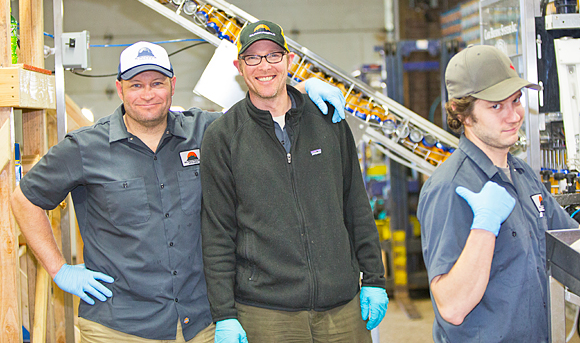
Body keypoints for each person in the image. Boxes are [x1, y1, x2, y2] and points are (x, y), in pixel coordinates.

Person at [10, 40, 346, 343]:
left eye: (157, 83)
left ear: (172, 85)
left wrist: (301, 87)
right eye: (136, 85)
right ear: (119, 89)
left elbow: (260, 108)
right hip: (119, 327)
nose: (148, 94)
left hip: (201, 322)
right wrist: (59, 269)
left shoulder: (205, 131)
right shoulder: (85, 147)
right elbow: (24, 198)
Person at [200, 20, 389, 343]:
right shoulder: (222, 136)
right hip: (267, 313)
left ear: (289, 61)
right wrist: (225, 315)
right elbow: (218, 232)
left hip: (341, 307)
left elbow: (356, 204)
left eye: (273, 55)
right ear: (239, 67)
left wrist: (374, 278)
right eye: (253, 58)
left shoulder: (328, 120)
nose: (264, 66)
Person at [417, 44, 579, 342]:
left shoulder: (523, 175)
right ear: (461, 112)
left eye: (516, 101)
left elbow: (572, 243)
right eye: (496, 106)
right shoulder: (449, 187)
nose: (514, 116)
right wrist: (484, 227)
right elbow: (452, 307)